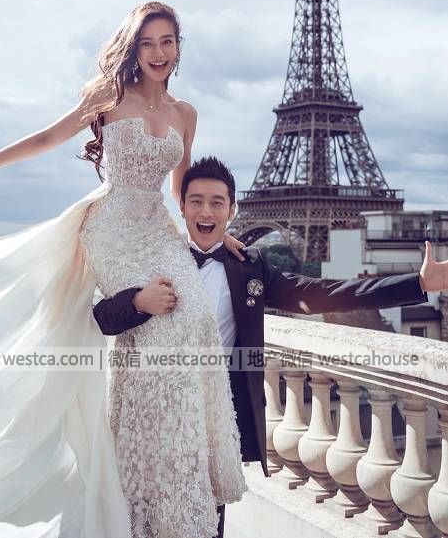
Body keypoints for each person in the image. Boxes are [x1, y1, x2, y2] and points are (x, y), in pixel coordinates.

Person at [0, 2, 247, 538]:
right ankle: (140, 482)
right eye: (147, 43)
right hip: (112, 227)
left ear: (178, 47)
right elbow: (48, 138)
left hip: (158, 227)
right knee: (154, 330)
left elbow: (180, 187)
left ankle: (188, 468)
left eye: (167, 41)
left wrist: (215, 232)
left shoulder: (186, 114)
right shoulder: (107, 96)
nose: (158, 52)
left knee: (195, 320)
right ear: (134, 49)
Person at [92, 156, 448, 538]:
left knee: (208, 522)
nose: (206, 211)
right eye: (196, 201)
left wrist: (417, 284)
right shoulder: (154, 258)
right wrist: (137, 302)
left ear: (232, 210)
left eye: (216, 202)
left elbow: (324, 293)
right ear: (181, 207)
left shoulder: (249, 267)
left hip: (215, 418)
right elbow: (103, 318)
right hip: (157, 416)